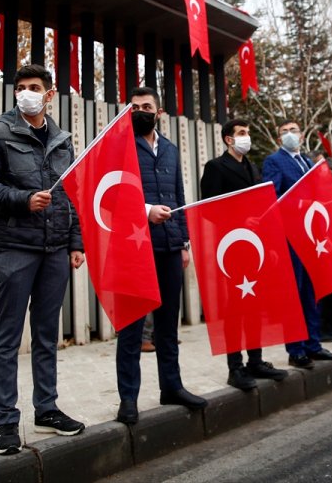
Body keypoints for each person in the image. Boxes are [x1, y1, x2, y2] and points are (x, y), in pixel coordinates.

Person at [0, 64, 86, 454]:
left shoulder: (63, 139)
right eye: (20, 88)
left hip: (55, 250)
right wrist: (22, 200)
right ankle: (5, 420)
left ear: (49, 94)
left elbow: (70, 194)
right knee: (7, 337)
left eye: (35, 87)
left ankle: (47, 409)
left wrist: (75, 242)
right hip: (14, 248)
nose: (26, 93)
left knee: (46, 334)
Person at [114, 87, 207, 424]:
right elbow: (112, 195)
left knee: (168, 325)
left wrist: (183, 243)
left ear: (159, 111)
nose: (140, 111)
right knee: (132, 328)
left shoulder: (169, 149)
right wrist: (147, 210)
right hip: (133, 248)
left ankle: (172, 386)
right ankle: (128, 399)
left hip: (169, 246)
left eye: (146, 106)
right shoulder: (119, 146)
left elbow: (179, 196)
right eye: (135, 107)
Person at [200, 119, 289, 389]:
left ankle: (256, 360)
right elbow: (209, 209)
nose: (246, 137)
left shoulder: (252, 167)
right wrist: (239, 220)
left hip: (255, 248)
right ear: (228, 139)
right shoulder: (215, 167)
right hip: (232, 247)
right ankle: (234, 367)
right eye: (241, 133)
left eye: (248, 132)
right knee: (235, 307)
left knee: (254, 305)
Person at [262, 120, 332, 368]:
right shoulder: (274, 161)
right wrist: (298, 206)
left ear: (302, 135)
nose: (289, 135)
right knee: (294, 295)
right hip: (291, 238)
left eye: (293, 131)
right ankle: (295, 350)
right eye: (283, 132)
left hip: (312, 238)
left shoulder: (308, 162)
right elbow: (272, 196)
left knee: (311, 293)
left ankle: (313, 344)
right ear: (278, 139)